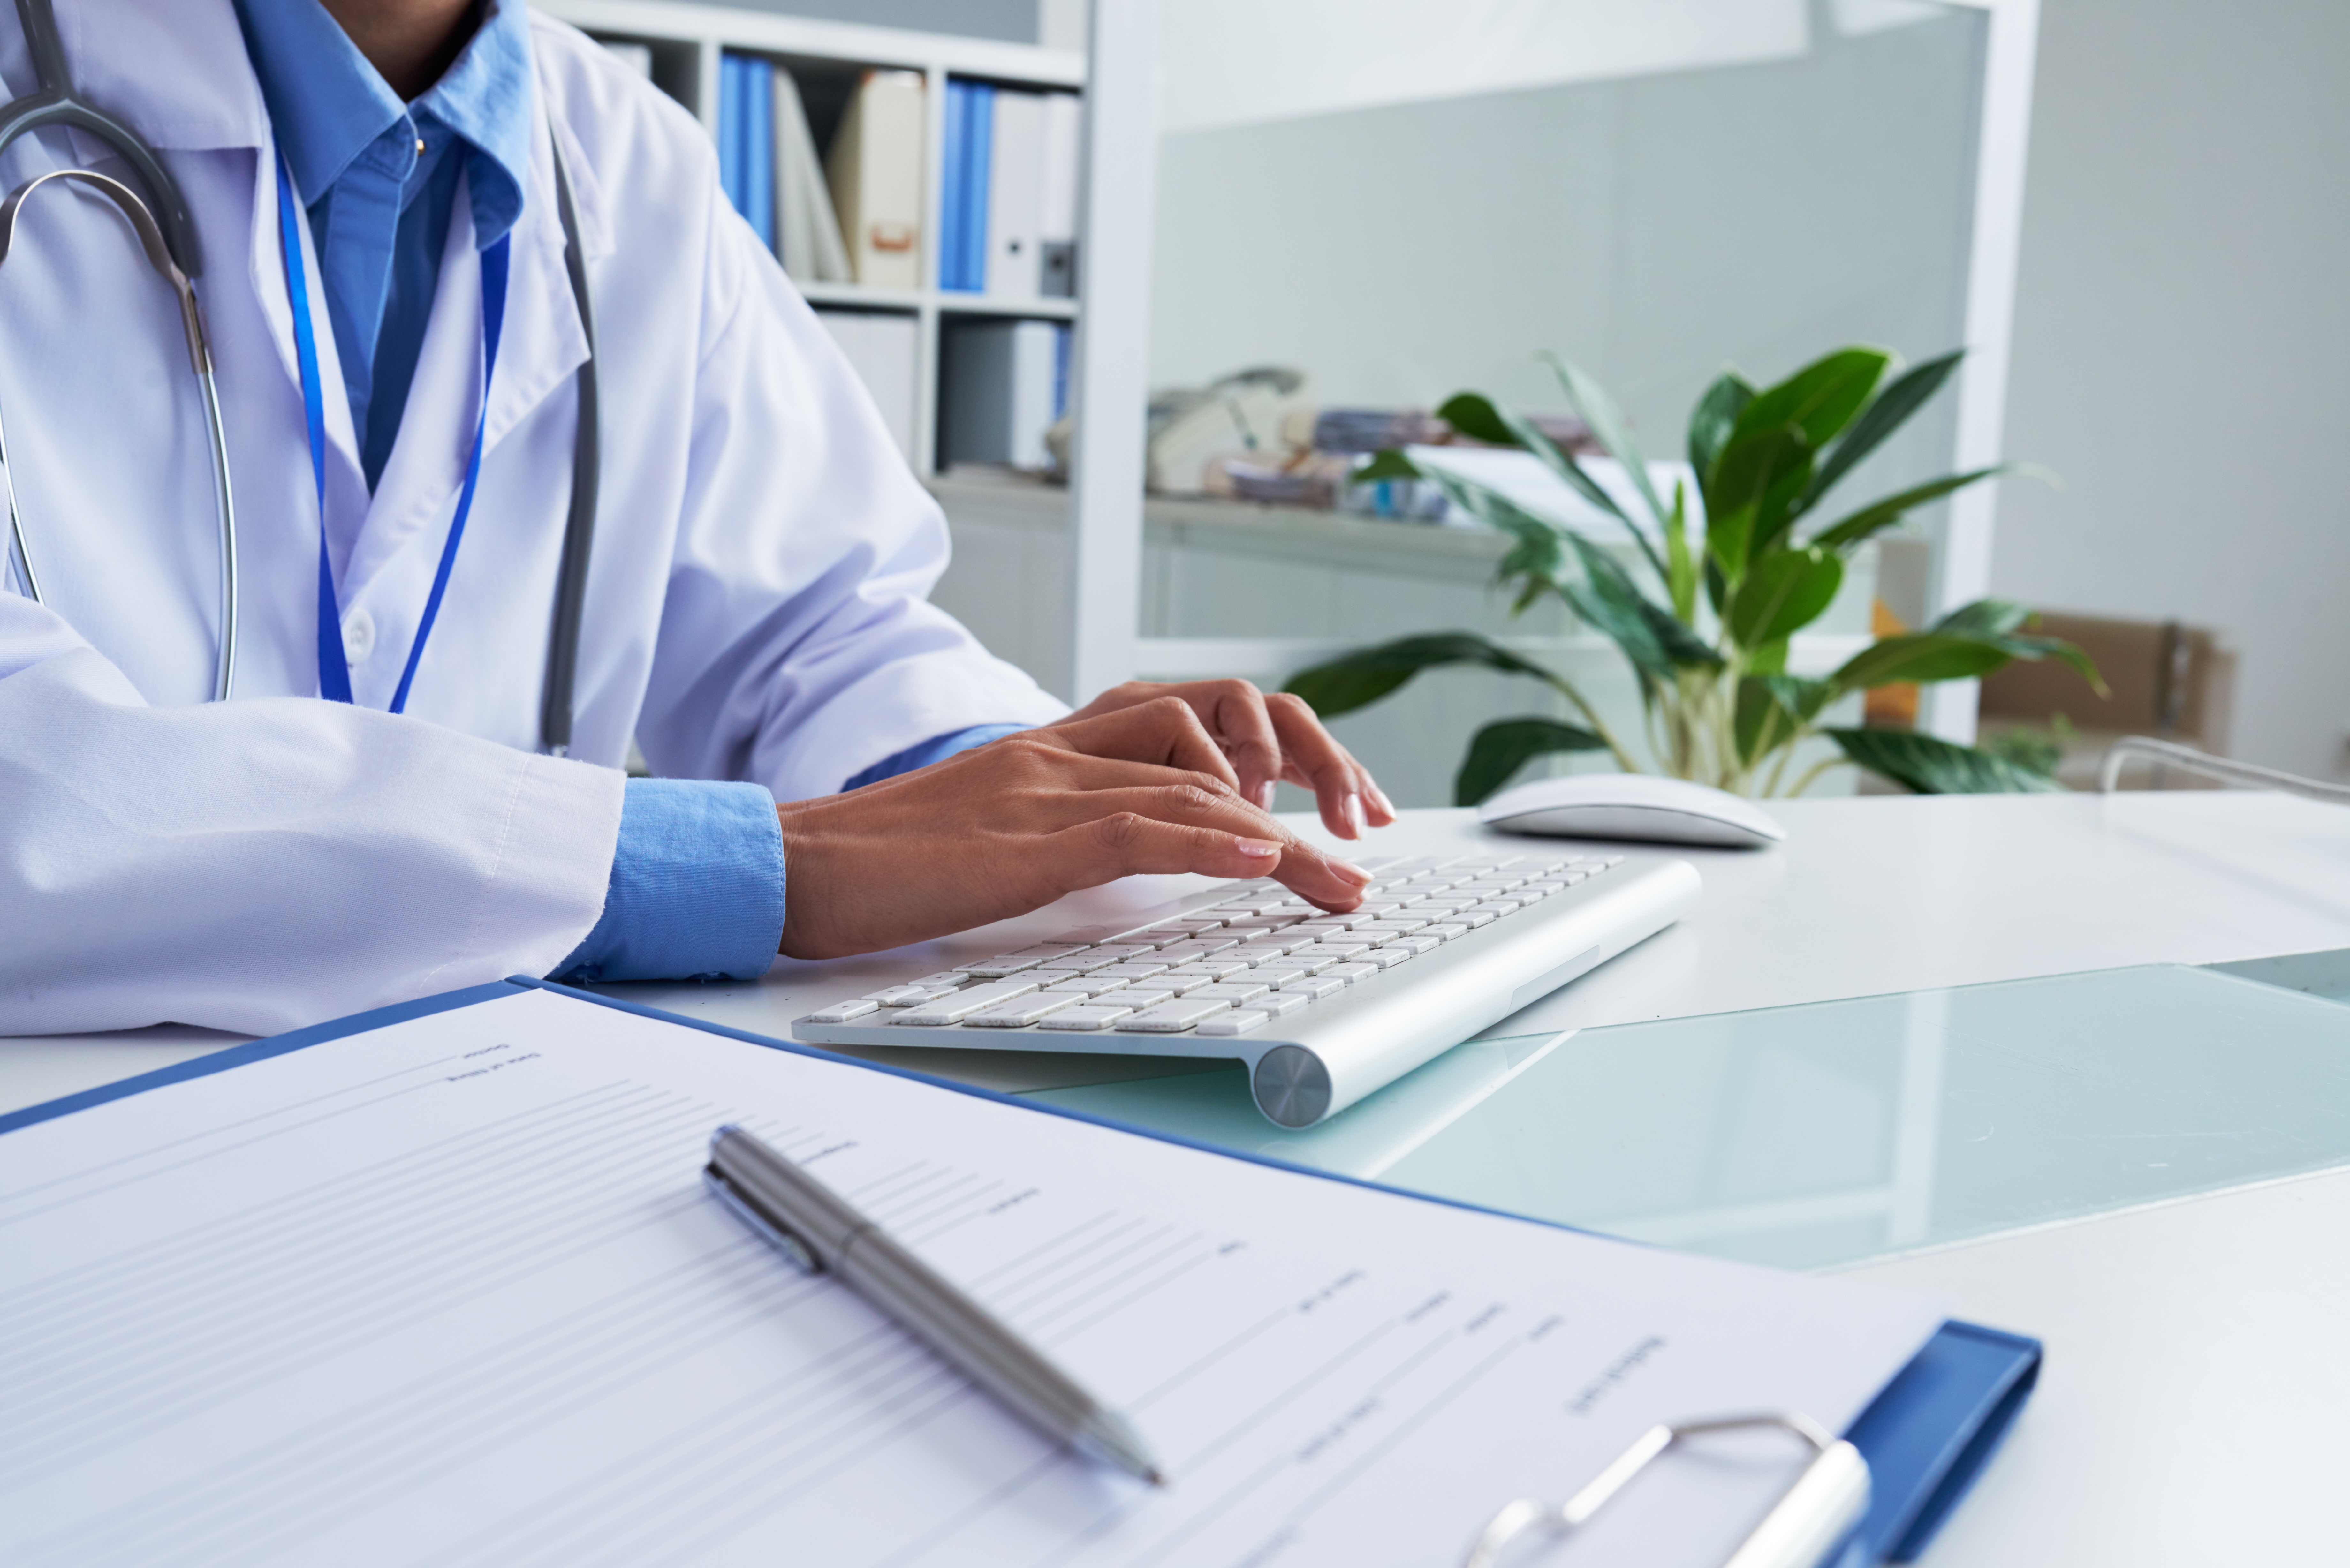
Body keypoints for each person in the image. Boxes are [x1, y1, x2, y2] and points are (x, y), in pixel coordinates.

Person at [0, 0, 1391, 1038]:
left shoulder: (624, 158)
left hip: (487, 1111)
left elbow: (818, 623)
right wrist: (762, 869)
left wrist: (1027, 784)